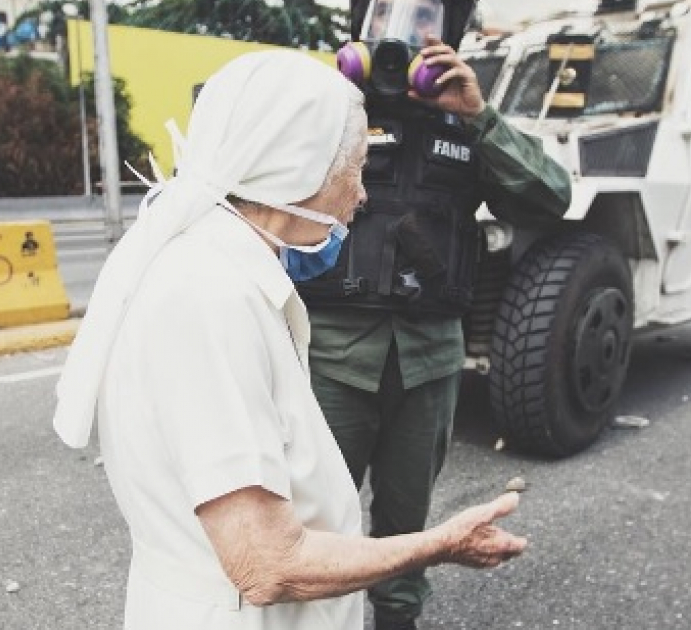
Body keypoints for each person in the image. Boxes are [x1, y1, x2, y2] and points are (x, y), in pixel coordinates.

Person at [52, 50, 527, 630]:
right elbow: (267, 564)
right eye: (353, 169)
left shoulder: (216, 270)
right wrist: (439, 544)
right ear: (295, 171)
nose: (362, 195)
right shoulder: (209, 298)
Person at [297, 30, 573, 630]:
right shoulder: (325, 112)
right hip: (330, 358)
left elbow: (550, 199)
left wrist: (479, 115)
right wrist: (327, 98)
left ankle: (397, 621)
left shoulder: (464, 126)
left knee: (407, 526)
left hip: (429, 360)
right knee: (314, 522)